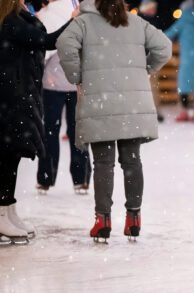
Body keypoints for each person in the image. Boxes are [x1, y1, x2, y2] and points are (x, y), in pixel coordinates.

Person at [57, 0, 172, 242]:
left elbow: (64, 44)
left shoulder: (83, 22)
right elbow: (164, 46)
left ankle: (103, 220)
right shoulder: (136, 22)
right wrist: (146, 69)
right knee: (132, 161)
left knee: (103, 163)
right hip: (132, 104)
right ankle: (133, 218)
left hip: (100, 103)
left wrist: (76, 76)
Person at [0, 0, 75, 242]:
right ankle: (2, 214)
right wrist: (73, 22)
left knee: (12, 156)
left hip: (17, 94)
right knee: (7, 157)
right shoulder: (10, 22)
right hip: (10, 96)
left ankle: (8, 211)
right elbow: (47, 40)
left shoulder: (18, 17)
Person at [36, 0, 92, 195]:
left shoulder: (47, 14)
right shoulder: (80, 8)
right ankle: (81, 178)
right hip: (77, 80)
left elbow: (44, 48)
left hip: (52, 82)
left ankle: (46, 176)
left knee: (50, 130)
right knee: (79, 131)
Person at [165, 0, 194, 122]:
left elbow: (169, 34)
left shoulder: (183, 22)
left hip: (187, 57)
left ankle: (184, 112)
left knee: (184, 85)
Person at [139, 0, 166, 123]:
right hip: (143, 59)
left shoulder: (150, 21)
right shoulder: (142, 21)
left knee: (152, 86)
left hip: (147, 58)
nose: (154, 10)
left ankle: (152, 110)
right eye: (152, 8)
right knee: (148, 86)